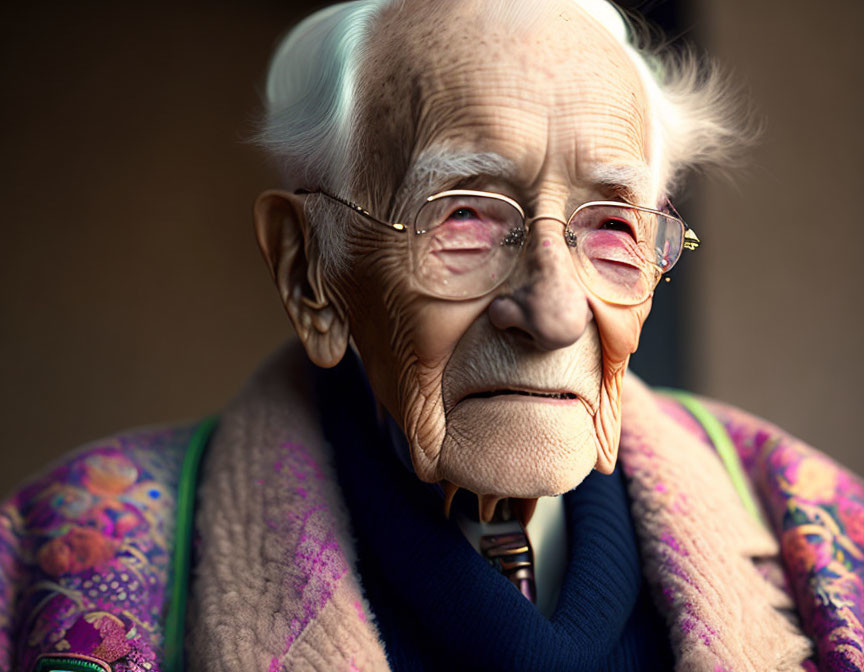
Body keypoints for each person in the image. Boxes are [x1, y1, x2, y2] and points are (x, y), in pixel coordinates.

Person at [2, 0, 862, 670]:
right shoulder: (52, 564)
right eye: (464, 218)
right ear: (310, 273)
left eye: (612, 230)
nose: (557, 311)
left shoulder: (828, 537)